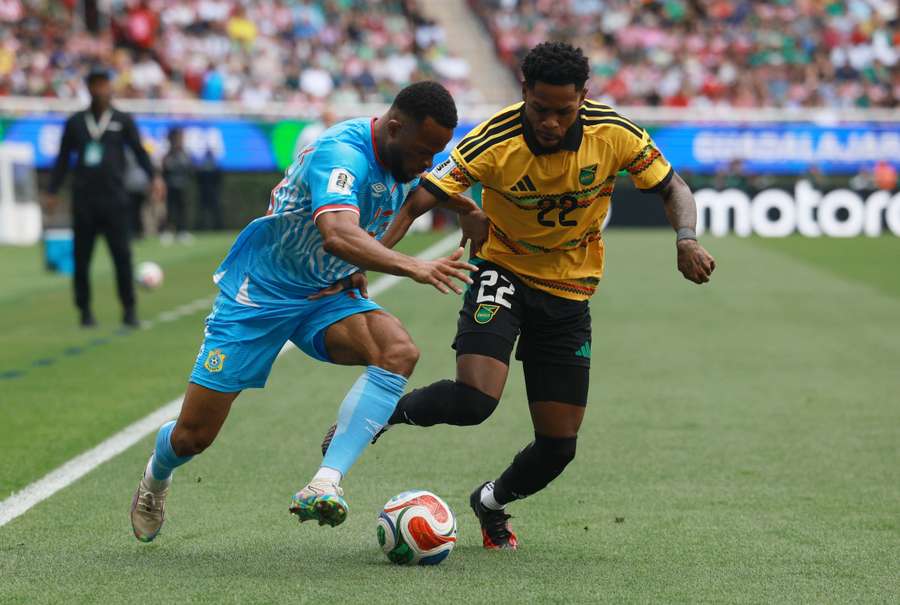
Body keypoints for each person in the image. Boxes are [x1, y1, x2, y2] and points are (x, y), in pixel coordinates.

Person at [322, 42, 717, 550]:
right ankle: (376, 419)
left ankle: (490, 502)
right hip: (502, 270)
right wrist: (370, 259)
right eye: (540, 109)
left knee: (559, 447)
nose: (550, 122)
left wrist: (686, 238)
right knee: (474, 401)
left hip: (571, 289)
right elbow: (421, 197)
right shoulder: (495, 138)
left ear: (584, 98)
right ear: (524, 92)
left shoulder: (614, 134)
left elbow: (672, 187)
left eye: (563, 111)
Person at [129, 81, 481, 543]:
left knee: (397, 351)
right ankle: (156, 477)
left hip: (324, 294)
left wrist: (466, 207)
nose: (427, 163)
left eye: (436, 153)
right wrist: (410, 265)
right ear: (394, 129)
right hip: (259, 297)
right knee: (193, 436)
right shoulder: (341, 154)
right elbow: (337, 233)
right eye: (423, 151)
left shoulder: (404, 157)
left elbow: (420, 192)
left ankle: (325, 481)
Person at [46, 66, 164, 328]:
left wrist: (154, 177)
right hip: (84, 201)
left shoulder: (122, 119)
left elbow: (139, 151)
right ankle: (85, 311)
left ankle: (129, 309)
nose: (100, 89)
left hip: (115, 200)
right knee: (82, 260)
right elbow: (63, 159)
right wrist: (53, 191)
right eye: (95, 84)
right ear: (88, 88)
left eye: (104, 84)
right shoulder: (76, 122)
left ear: (110, 87)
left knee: (122, 257)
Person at [161, 127, 193, 244]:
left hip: (183, 186)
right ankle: (168, 231)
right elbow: (165, 170)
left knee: (182, 209)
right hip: (171, 186)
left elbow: (189, 170)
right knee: (170, 210)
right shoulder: (168, 154)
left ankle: (182, 231)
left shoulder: (185, 154)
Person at [195, 148, 224, 231]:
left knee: (206, 210)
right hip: (212, 191)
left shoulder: (203, 166)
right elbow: (219, 179)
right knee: (211, 210)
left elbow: (198, 179)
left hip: (205, 191)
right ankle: (217, 227)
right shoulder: (215, 166)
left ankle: (201, 227)